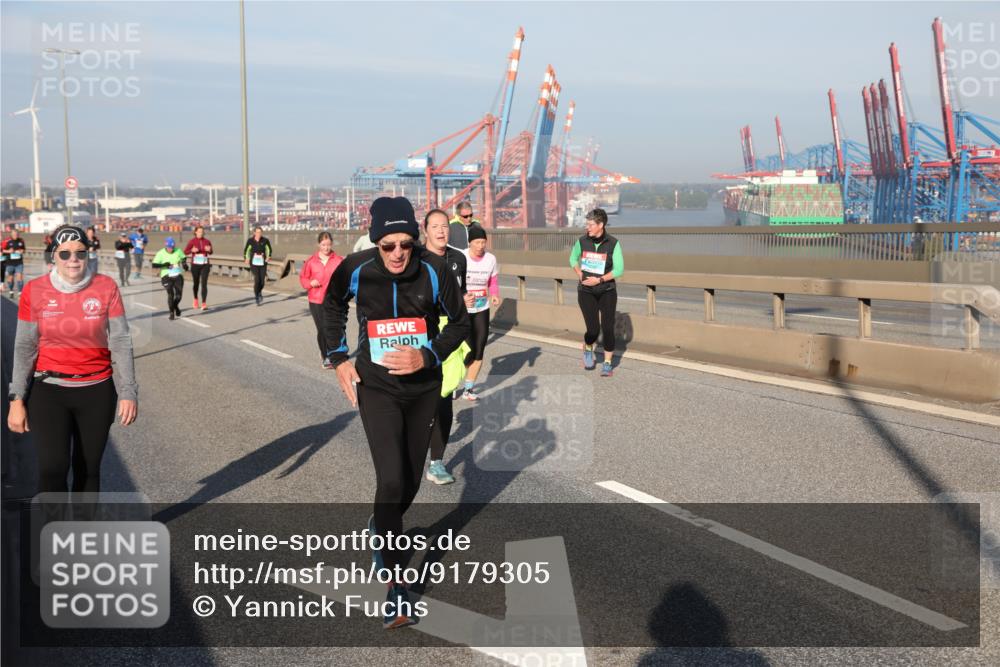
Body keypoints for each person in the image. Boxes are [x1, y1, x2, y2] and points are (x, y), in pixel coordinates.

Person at [324, 196, 469, 629]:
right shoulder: (355, 268)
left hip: (423, 388)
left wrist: (427, 356)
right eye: (388, 245)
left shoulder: (434, 269)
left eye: (406, 242)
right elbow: (331, 307)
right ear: (376, 242)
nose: (398, 253)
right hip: (378, 387)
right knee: (389, 479)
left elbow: (459, 323)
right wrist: (339, 358)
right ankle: (397, 588)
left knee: (406, 483)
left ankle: (380, 522)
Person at [7, 224, 138, 494]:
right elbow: (24, 346)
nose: (73, 260)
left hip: (97, 390)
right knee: (52, 469)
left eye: (80, 252)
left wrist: (128, 391)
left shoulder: (106, 287)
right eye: (64, 254)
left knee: (87, 470)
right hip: (49, 391)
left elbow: (121, 341)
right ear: (53, 255)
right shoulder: (34, 290)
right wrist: (16, 398)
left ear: (88, 254)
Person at [421, 208, 473, 485]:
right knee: (421, 396)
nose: (441, 231)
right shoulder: (415, 258)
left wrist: (467, 302)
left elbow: (460, 293)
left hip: (451, 331)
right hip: (421, 332)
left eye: (445, 226)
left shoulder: (458, 258)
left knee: (443, 397)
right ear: (425, 230)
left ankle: (436, 462)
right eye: (435, 226)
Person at [570, 208, 624, 376]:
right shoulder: (582, 241)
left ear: (601, 225)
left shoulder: (613, 243)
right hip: (586, 291)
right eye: (587, 224)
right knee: (593, 330)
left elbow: (619, 269)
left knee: (607, 328)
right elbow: (572, 258)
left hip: (607, 290)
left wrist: (600, 280)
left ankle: (607, 363)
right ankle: (588, 347)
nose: (588, 228)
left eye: (591, 224)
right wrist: (579, 273)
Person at [459, 225, 500, 400]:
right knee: (467, 350)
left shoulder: (490, 259)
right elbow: (453, 281)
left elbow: (493, 280)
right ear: (470, 243)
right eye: (477, 242)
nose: (481, 245)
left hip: (482, 308)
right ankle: (453, 382)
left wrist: (495, 294)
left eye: (483, 242)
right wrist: (460, 297)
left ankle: (468, 389)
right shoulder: (461, 257)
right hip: (463, 309)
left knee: (479, 349)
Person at [299, 231, 343, 368]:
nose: (326, 248)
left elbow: (345, 278)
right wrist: (310, 283)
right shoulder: (311, 261)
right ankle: (326, 356)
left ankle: (333, 352)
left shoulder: (339, 260)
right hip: (316, 300)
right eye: (323, 244)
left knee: (333, 328)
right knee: (323, 329)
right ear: (319, 244)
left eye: (328, 244)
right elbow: (303, 278)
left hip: (333, 300)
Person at [151, 237, 188, 320]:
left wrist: (184, 263)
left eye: (172, 247)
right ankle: (171, 313)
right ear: (166, 246)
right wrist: (164, 265)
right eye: (169, 248)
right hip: (166, 276)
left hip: (177, 275)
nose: (171, 249)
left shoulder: (178, 250)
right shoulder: (160, 253)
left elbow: (183, 257)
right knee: (170, 294)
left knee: (178, 296)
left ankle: (175, 307)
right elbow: (154, 265)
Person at [184, 225, 214, 310]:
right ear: (195, 232)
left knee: (204, 284)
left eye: (202, 232)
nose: (201, 233)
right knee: (196, 283)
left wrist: (209, 250)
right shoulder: (192, 241)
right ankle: (195, 299)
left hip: (205, 264)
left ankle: (204, 303)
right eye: (199, 231)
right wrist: (191, 251)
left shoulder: (207, 241)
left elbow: (211, 252)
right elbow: (185, 252)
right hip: (195, 265)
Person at [243, 226, 272, 306]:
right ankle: (256, 296)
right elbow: (247, 250)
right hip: (254, 262)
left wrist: (269, 256)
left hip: (262, 262)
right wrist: (246, 258)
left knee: (262, 281)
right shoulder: (250, 241)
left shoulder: (265, 240)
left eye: (260, 232)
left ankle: (259, 292)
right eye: (257, 232)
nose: (259, 234)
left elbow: (269, 249)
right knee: (257, 279)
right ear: (254, 233)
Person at [2, 226, 27, 299]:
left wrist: (22, 251)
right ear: (11, 234)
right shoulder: (7, 241)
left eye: (17, 234)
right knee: (10, 278)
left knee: (20, 277)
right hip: (10, 263)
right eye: (14, 234)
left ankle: (20, 293)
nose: (15, 235)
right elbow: (2, 250)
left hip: (19, 262)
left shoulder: (21, 241)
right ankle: (11, 291)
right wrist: (8, 251)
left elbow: (24, 249)